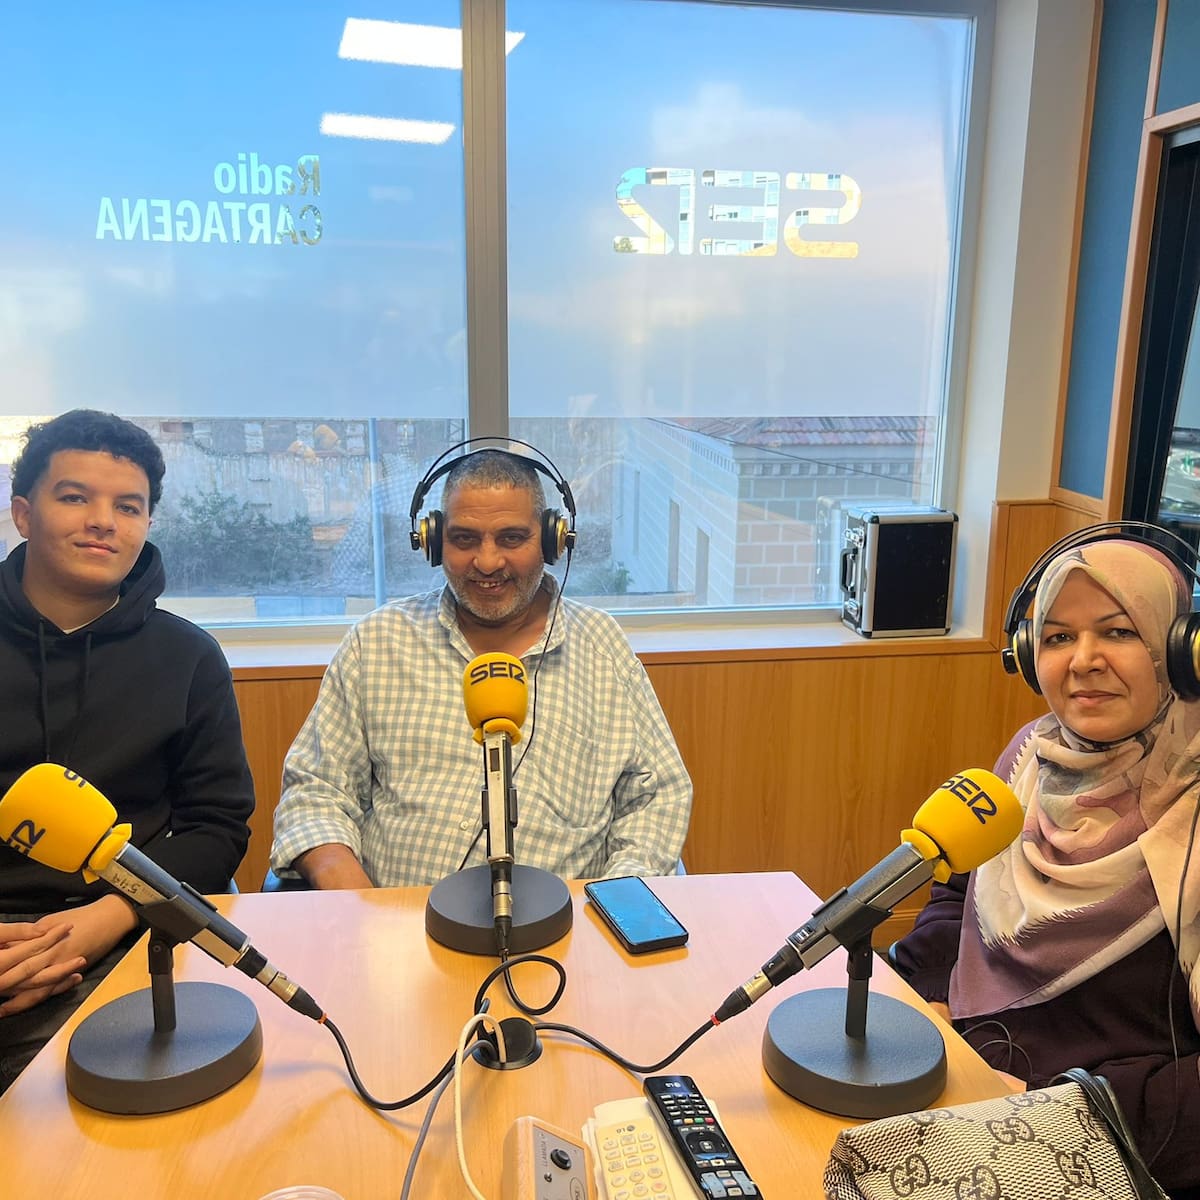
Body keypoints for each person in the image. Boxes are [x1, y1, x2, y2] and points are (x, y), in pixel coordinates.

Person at [892, 537, 1200, 1198]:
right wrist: (929, 998)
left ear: (1181, 650)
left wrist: (1065, 1113)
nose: (1084, 661)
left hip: (1119, 1144)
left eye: (1118, 632)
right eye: (1058, 637)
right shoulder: (1033, 756)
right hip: (963, 1084)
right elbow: (957, 892)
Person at [271, 447, 692, 889]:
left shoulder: (602, 648)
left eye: (511, 538)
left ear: (552, 540)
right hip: (397, 932)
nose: (487, 562)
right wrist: (364, 914)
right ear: (433, 542)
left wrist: (608, 910)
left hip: (563, 935)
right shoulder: (376, 643)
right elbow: (315, 793)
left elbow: (657, 797)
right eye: (465, 539)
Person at [0, 409, 254, 1092]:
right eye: (75, 496)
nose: (103, 521)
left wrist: (110, 916)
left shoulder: (188, 657)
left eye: (128, 506)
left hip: (125, 934)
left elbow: (217, 826)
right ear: (23, 513)